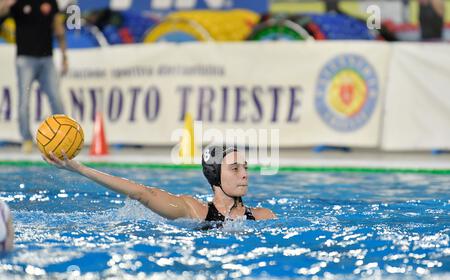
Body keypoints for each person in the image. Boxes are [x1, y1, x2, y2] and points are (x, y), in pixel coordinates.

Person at [42, 145, 277, 223]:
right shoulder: (195, 211)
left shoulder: (264, 216)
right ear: (215, 176)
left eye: (245, 167)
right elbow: (142, 193)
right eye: (235, 169)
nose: (244, 174)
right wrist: (80, 169)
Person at [0, 0, 67, 153]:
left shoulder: (51, 1)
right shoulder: (17, 2)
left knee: (56, 99)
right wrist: (5, 4)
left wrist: (64, 55)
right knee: (24, 101)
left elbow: (58, 28)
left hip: (47, 59)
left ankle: (63, 138)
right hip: (25, 60)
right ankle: (26, 139)